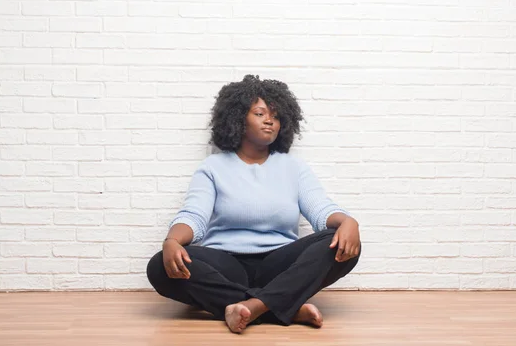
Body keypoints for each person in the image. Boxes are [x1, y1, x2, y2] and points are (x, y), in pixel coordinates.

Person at [146, 75, 362, 334]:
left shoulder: (293, 167)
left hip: (280, 265)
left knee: (342, 242)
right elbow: (194, 216)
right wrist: (172, 241)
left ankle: (254, 306)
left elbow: (320, 209)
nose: (270, 120)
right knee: (160, 266)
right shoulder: (213, 167)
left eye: (276, 115)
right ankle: (282, 306)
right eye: (260, 113)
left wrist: (348, 221)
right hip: (225, 265)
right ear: (238, 118)